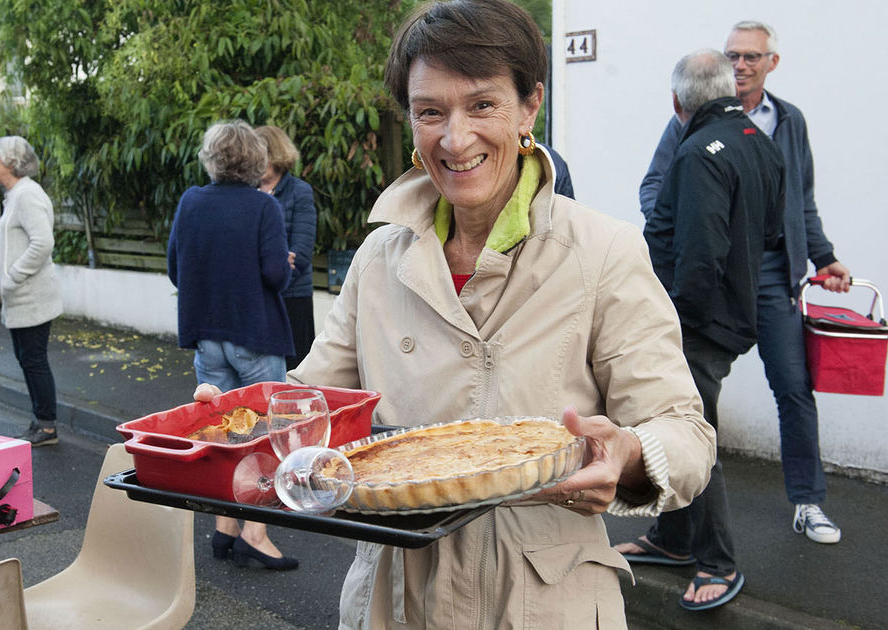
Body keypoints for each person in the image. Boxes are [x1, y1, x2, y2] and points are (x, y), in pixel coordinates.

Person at [199, 1, 716, 625]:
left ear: (530, 106)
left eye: (482, 105)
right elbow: (316, 401)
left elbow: (684, 430)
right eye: (430, 112)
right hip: (394, 598)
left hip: (541, 600)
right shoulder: (379, 258)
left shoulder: (602, 252)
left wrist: (629, 453)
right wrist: (241, 423)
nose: (455, 137)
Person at [637, 20, 849, 544]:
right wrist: (679, 226)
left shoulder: (787, 121)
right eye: (733, 54)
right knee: (693, 401)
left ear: (771, 63)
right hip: (712, 269)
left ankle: (808, 501)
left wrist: (823, 257)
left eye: (752, 55)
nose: (742, 63)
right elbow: (658, 185)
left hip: (773, 272)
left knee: (794, 388)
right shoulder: (692, 122)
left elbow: (801, 201)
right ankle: (684, 531)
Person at [619, 49, 785, 611]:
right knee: (675, 424)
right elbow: (771, 232)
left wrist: (671, 325)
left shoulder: (695, 154)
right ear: (730, 91)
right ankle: (672, 538)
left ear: (677, 103)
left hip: (697, 324)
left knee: (694, 433)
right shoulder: (759, 142)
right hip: (737, 314)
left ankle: (718, 562)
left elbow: (699, 254)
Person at [167, 120, 298, 571]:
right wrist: (286, 261)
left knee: (223, 435)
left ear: (211, 158)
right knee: (267, 436)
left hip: (208, 337)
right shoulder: (264, 207)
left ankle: (225, 528)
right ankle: (255, 534)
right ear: (256, 161)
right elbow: (276, 276)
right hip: (255, 336)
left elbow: (175, 269)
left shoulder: (190, 202)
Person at [0, 136, 63, 447]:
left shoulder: (27, 195)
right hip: (22, 297)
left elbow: (43, 243)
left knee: (33, 360)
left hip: (31, 296)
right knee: (27, 358)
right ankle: (40, 422)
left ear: (10, 162)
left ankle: (46, 427)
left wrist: (12, 277)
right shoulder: (17, 194)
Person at [255, 125, 318, 370]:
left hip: (293, 298)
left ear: (276, 155)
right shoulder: (248, 193)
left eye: (259, 155)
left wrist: (263, 274)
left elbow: (300, 254)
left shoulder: (300, 192)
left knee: (296, 370)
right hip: (258, 302)